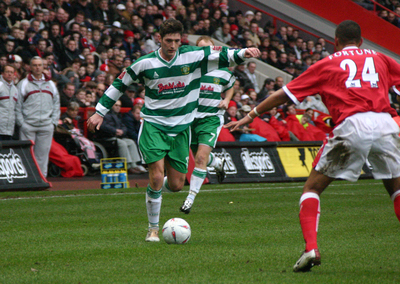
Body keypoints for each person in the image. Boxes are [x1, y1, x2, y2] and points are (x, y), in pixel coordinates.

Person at [225, 20, 400, 272]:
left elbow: (283, 94)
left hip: (352, 124)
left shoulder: (327, 63)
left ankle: (311, 248)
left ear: (335, 42)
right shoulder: (380, 58)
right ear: (361, 41)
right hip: (385, 123)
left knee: (312, 188)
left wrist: (251, 114)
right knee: (395, 189)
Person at [87, 19, 260, 242]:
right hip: (154, 126)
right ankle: (153, 229)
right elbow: (120, 84)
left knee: (177, 185)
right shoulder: (145, 63)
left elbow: (222, 54)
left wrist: (245, 52)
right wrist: (99, 111)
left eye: (177, 41)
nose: (173, 45)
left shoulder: (192, 56)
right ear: (159, 39)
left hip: (180, 129)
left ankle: (154, 190)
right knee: (158, 176)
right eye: (168, 40)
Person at [180, 36, 236, 214]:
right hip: (191, 118)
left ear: (215, 49)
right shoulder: (191, 69)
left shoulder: (223, 70)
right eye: (201, 49)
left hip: (211, 118)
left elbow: (230, 86)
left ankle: (189, 199)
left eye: (209, 48)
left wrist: (226, 99)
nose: (206, 53)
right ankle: (218, 163)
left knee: (200, 159)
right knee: (199, 157)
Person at [16, 56, 60, 177]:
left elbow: (56, 104)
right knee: (27, 154)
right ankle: (28, 179)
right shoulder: (23, 84)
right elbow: (17, 105)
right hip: (28, 125)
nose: (37, 67)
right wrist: (22, 123)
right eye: (34, 65)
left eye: (39, 65)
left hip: (46, 125)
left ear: (43, 66)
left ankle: (42, 178)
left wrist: (53, 122)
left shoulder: (50, 84)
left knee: (43, 155)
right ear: (30, 67)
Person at [99, 100, 146, 174]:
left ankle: (135, 164)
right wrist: (115, 131)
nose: (118, 107)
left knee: (131, 142)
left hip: (118, 136)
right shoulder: (105, 115)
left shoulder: (118, 115)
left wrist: (122, 131)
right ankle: (127, 165)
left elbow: (123, 126)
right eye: (116, 105)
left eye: (119, 106)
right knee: (122, 143)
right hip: (107, 137)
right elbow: (103, 126)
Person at [0, 65, 18, 140]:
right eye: (7, 72)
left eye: (11, 72)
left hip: (9, 129)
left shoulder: (15, 89)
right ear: (2, 73)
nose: (9, 74)